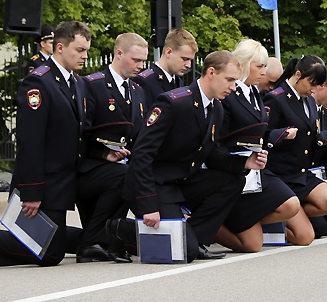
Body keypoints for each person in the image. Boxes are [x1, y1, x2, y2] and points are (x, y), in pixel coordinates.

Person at [108, 51, 265, 262]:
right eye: (229, 80)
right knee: (185, 253)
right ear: (211, 72)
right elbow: (142, 154)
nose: (233, 87)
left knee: (234, 180)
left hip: (182, 182)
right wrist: (148, 205)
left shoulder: (216, 108)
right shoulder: (173, 103)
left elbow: (212, 153)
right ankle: (119, 229)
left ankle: (192, 238)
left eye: (235, 81)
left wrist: (245, 162)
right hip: (156, 185)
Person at [0, 21, 91, 266]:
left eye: (86, 50)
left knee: (57, 245)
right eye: (79, 50)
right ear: (60, 47)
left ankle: (94, 238)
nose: (85, 56)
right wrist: (31, 191)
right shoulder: (38, 82)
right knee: (50, 254)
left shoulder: (78, 83)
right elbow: (30, 141)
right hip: (44, 184)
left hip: (65, 181)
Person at [215, 40, 301, 253]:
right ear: (243, 64)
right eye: (259, 66)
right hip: (234, 167)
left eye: (264, 66)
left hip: (255, 166)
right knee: (252, 246)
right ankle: (215, 221)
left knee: (290, 205)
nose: (264, 71)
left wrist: (277, 135)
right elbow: (221, 136)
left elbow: (258, 130)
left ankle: (228, 218)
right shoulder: (229, 93)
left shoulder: (253, 92)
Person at [77, 33, 149, 263]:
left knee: (132, 174)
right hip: (89, 166)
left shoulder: (138, 91)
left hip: (119, 166)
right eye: (136, 60)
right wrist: (102, 153)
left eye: (143, 61)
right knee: (126, 176)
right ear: (119, 53)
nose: (141, 65)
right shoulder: (92, 85)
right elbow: (78, 133)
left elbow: (138, 135)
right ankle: (94, 242)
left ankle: (107, 240)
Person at [264, 56, 327, 245]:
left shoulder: (307, 100)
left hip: (300, 173)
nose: (314, 89)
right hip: (280, 174)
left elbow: (310, 136)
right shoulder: (276, 98)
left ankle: (293, 213)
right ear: (298, 75)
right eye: (311, 83)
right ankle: (263, 219)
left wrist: (326, 138)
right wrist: (279, 135)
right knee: (305, 237)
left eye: (318, 85)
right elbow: (263, 136)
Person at [133, 28, 198, 102]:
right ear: (169, 52)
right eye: (185, 59)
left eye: (190, 60)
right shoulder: (144, 81)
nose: (188, 65)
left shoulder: (178, 82)